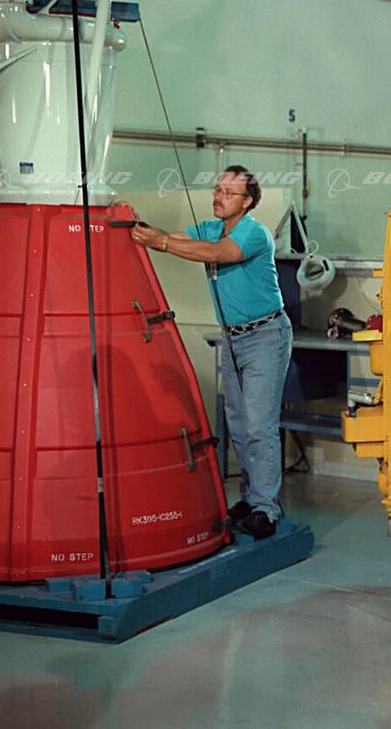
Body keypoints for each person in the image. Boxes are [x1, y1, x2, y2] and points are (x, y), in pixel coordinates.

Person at [127, 165, 292, 540]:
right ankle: (251, 499)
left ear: (247, 202)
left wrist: (160, 242)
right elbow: (174, 238)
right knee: (239, 424)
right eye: (217, 189)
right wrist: (136, 225)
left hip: (265, 336)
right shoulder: (211, 228)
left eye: (228, 193)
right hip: (232, 339)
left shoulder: (254, 233)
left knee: (259, 425)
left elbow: (218, 253)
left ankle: (266, 509)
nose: (219, 197)